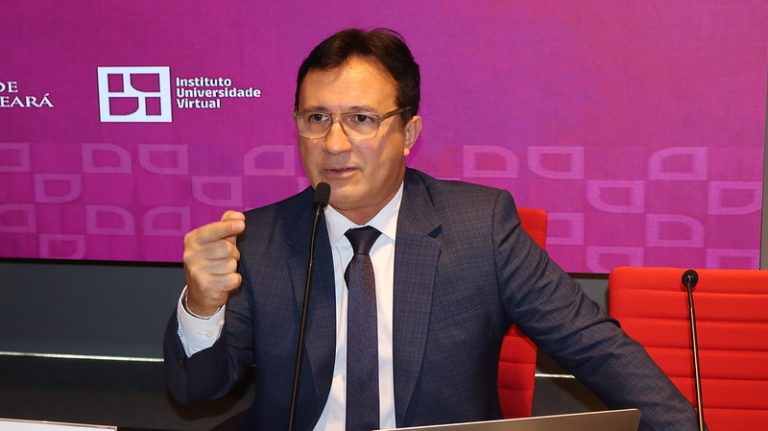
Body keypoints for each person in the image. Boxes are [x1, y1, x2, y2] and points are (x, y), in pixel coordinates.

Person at [164, 28, 701, 431]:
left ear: (408, 132)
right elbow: (195, 391)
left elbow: (596, 347)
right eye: (316, 118)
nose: (334, 144)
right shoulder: (258, 238)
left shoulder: (482, 226)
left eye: (361, 119)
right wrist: (202, 307)